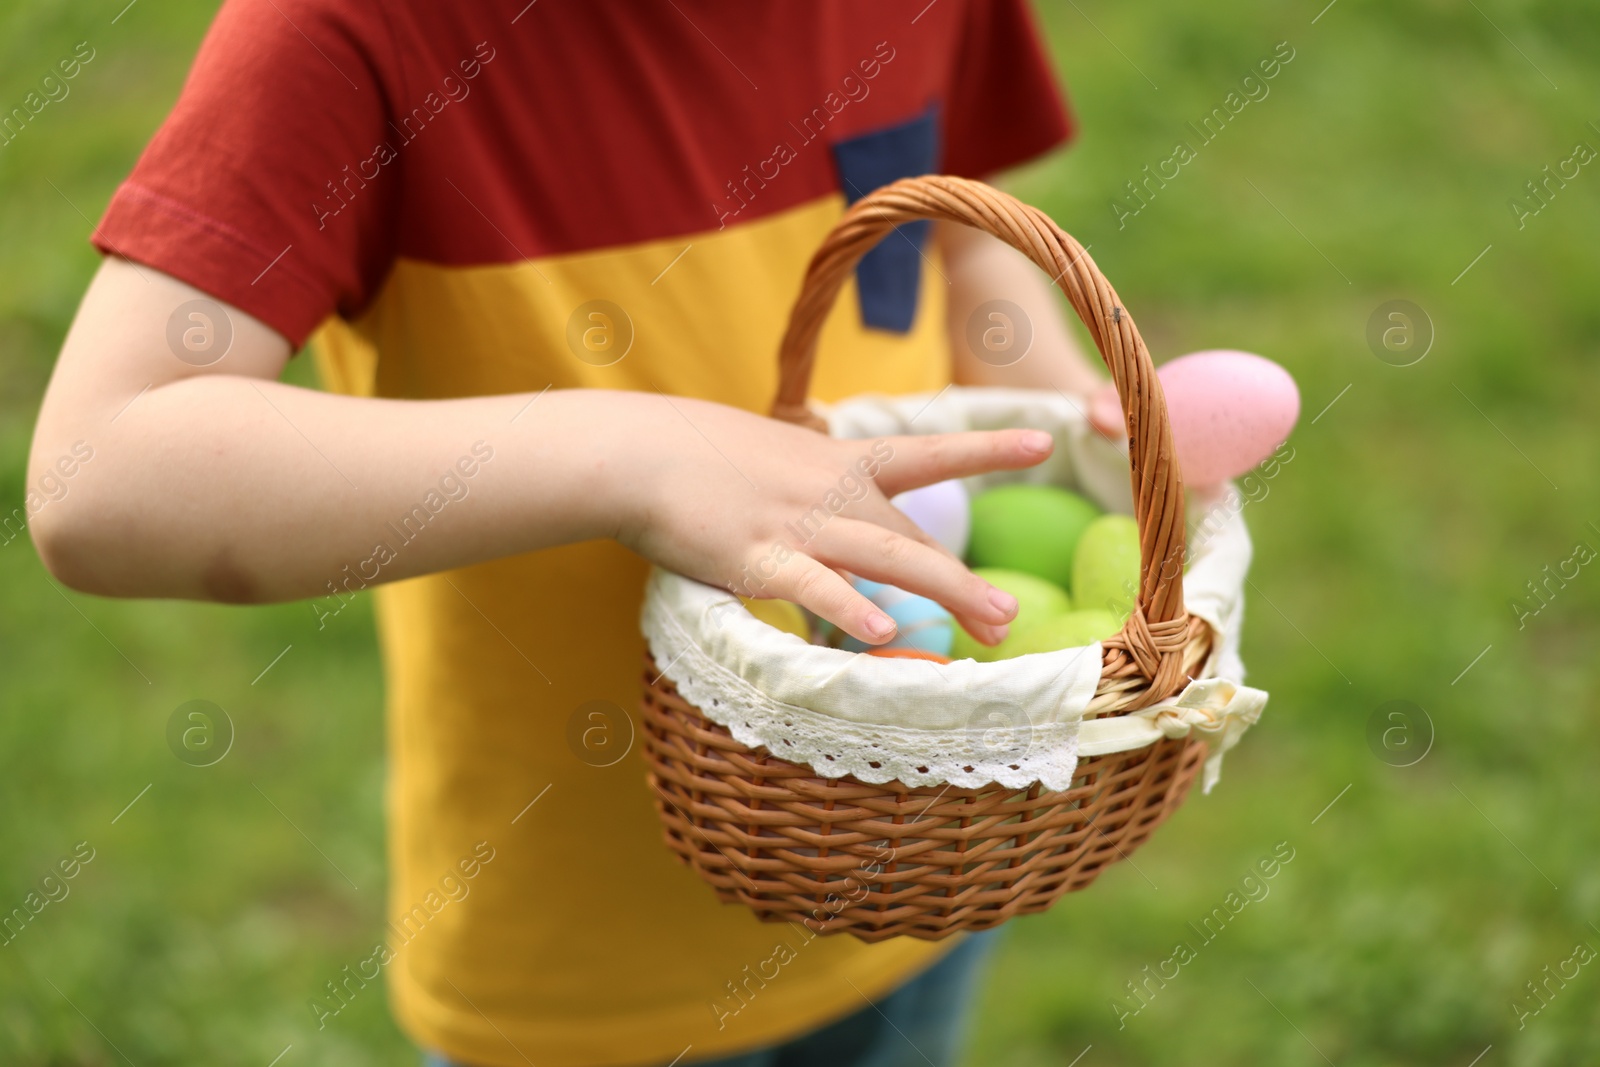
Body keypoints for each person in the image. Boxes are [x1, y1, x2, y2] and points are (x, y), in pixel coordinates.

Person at [28, 2, 1105, 1064]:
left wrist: (1067, 424)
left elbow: (950, 239)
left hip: (919, 860)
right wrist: (632, 456)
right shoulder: (350, 32)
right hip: (587, 965)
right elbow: (104, 471)